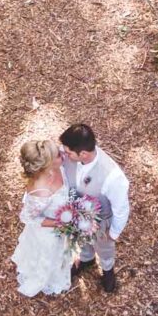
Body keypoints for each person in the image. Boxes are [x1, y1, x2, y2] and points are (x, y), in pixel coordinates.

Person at [59, 124, 130, 293]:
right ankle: (86, 259)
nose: (65, 155)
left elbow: (121, 209)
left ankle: (107, 270)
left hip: (101, 222)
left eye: (68, 152)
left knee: (104, 248)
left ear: (82, 153)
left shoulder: (113, 177)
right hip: (77, 214)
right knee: (81, 240)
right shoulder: (74, 156)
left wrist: (113, 234)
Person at [10, 139, 73, 297]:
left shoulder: (57, 165)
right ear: (47, 165)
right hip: (49, 231)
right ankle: (47, 280)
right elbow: (28, 218)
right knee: (50, 259)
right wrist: (59, 223)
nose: (63, 153)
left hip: (64, 220)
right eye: (58, 155)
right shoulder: (40, 191)